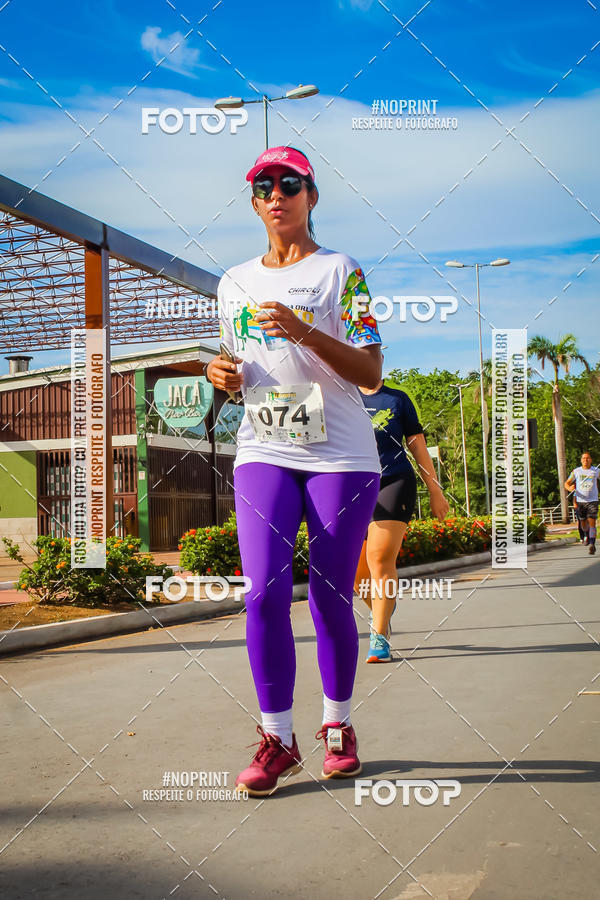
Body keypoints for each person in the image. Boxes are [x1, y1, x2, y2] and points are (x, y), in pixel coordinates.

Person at [206, 146, 383, 796]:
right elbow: (235, 363)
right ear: (254, 202)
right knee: (262, 594)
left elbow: (371, 373)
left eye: (289, 183)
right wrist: (219, 374)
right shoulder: (232, 282)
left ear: (311, 195)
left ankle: (338, 725)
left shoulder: (342, 270)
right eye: (264, 185)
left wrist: (304, 331)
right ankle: (277, 738)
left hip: (341, 456)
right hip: (265, 449)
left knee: (331, 595)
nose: (276, 194)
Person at [355, 372, 450, 661]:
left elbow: (418, 447)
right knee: (355, 575)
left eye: (374, 354)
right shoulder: (341, 397)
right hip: (352, 487)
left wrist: (435, 491)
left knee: (379, 558)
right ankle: (384, 609)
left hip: (393, 482)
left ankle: (379, 635)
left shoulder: (397, 399)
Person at [565, 452, 600, 555]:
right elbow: (566, 483)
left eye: (588, 458)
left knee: (592, 522)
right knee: (583, 523)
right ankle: (586, 534)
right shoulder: (576, 471)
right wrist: (570, 488)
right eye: (584, 458)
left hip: (593, 500)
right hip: (580, 501)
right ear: (581, 460)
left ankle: (592, 544)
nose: (586, 460)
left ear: (591, 460)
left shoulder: (596, 471)